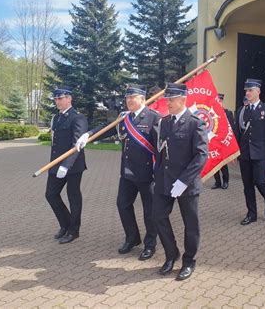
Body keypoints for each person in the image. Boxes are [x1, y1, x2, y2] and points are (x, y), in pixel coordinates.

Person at [76, 84, 160, 261]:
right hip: (127, 172)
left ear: (143, 99)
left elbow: (161, 148)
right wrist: (88, 135)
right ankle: (132, 238)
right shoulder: (124, 118)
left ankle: (150, 244)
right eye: (127, 98)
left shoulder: (154, 118)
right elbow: (106, 128)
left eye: (133, 97)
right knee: (122, 205)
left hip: (148, 174)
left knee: (149, 211)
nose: (129, 100)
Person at [152, 83, 208, 281]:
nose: (168, 103)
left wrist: (183, 181)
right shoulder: (165, 122)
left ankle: (189, 261)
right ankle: (171, 253)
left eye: (171, 100)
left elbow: (201, 155)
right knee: (158, 216)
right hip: (164, 180)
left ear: (182, 100)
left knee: (190, 224)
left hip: (186, 183)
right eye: (167, 100)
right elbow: (161, 151)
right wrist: (156, 175)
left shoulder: (195, 123)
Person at [46, 86, 88, 244]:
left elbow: (77, 145)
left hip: (73, 165)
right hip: (56, 163)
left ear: (69, 98)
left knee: (73, 197)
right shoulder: (56, 118)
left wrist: (66, 165)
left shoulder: (78, 118)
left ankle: (74, 230)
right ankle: (65, 224)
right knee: (50, 194)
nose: (57, 101)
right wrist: (56, 165)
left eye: (61, 98)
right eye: (56, 98)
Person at [235, 79, 265, 225]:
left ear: (258, 92)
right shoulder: (241, 111)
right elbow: (237, 134)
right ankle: (251, 214)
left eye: (250, 90)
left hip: (260, 153)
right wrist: (234, 153)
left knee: (260, 181)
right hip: (245, 153)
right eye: (246, 91)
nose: (247, 93)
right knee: (247, 186)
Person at [211, 93, 236, 190]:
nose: (219, 102)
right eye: (217, 100)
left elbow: (231, 128)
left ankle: (225, 181)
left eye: (220, 100)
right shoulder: (211, 111)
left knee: (223, 163)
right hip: (214, 141)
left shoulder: (227, 112)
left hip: (223, 141)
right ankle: (217, 182)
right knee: (214, 163)